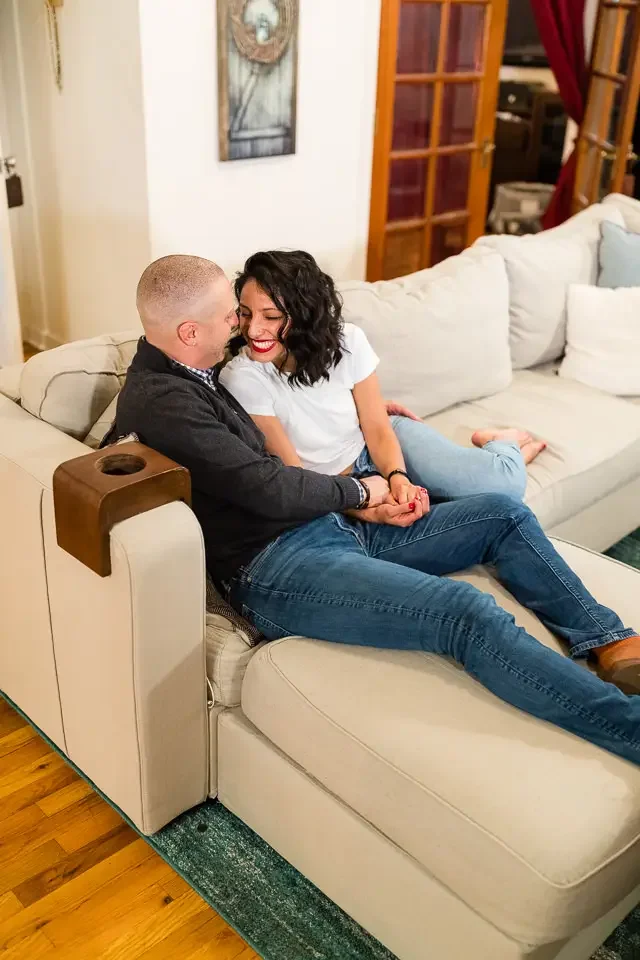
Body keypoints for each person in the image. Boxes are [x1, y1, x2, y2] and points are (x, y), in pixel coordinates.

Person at [110, 254, 640, 768]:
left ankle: (606, 639)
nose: (240, 326)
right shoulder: (166, 401)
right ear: (188, 332)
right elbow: (267, 485)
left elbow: (297, 375)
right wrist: (364, 494)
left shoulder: (193, 367)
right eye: (232, 314)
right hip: (274, 567)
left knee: (503, 514)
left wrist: (366, 415)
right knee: (465, 613)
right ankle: (630, 728)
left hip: (321, 527)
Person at [219, 250, 545, 508]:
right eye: (246, 313)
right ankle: (507, 455)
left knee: (505, 485)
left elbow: (376, 426)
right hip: (338, 486)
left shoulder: (348, 341)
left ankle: (499, 444)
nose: (252, 329)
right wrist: (364, 498)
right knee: (483, 502)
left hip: (381, 444)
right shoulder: (243, 378)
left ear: (304, 316)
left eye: (271, 316)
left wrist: (398, 477)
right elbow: (296, 475)